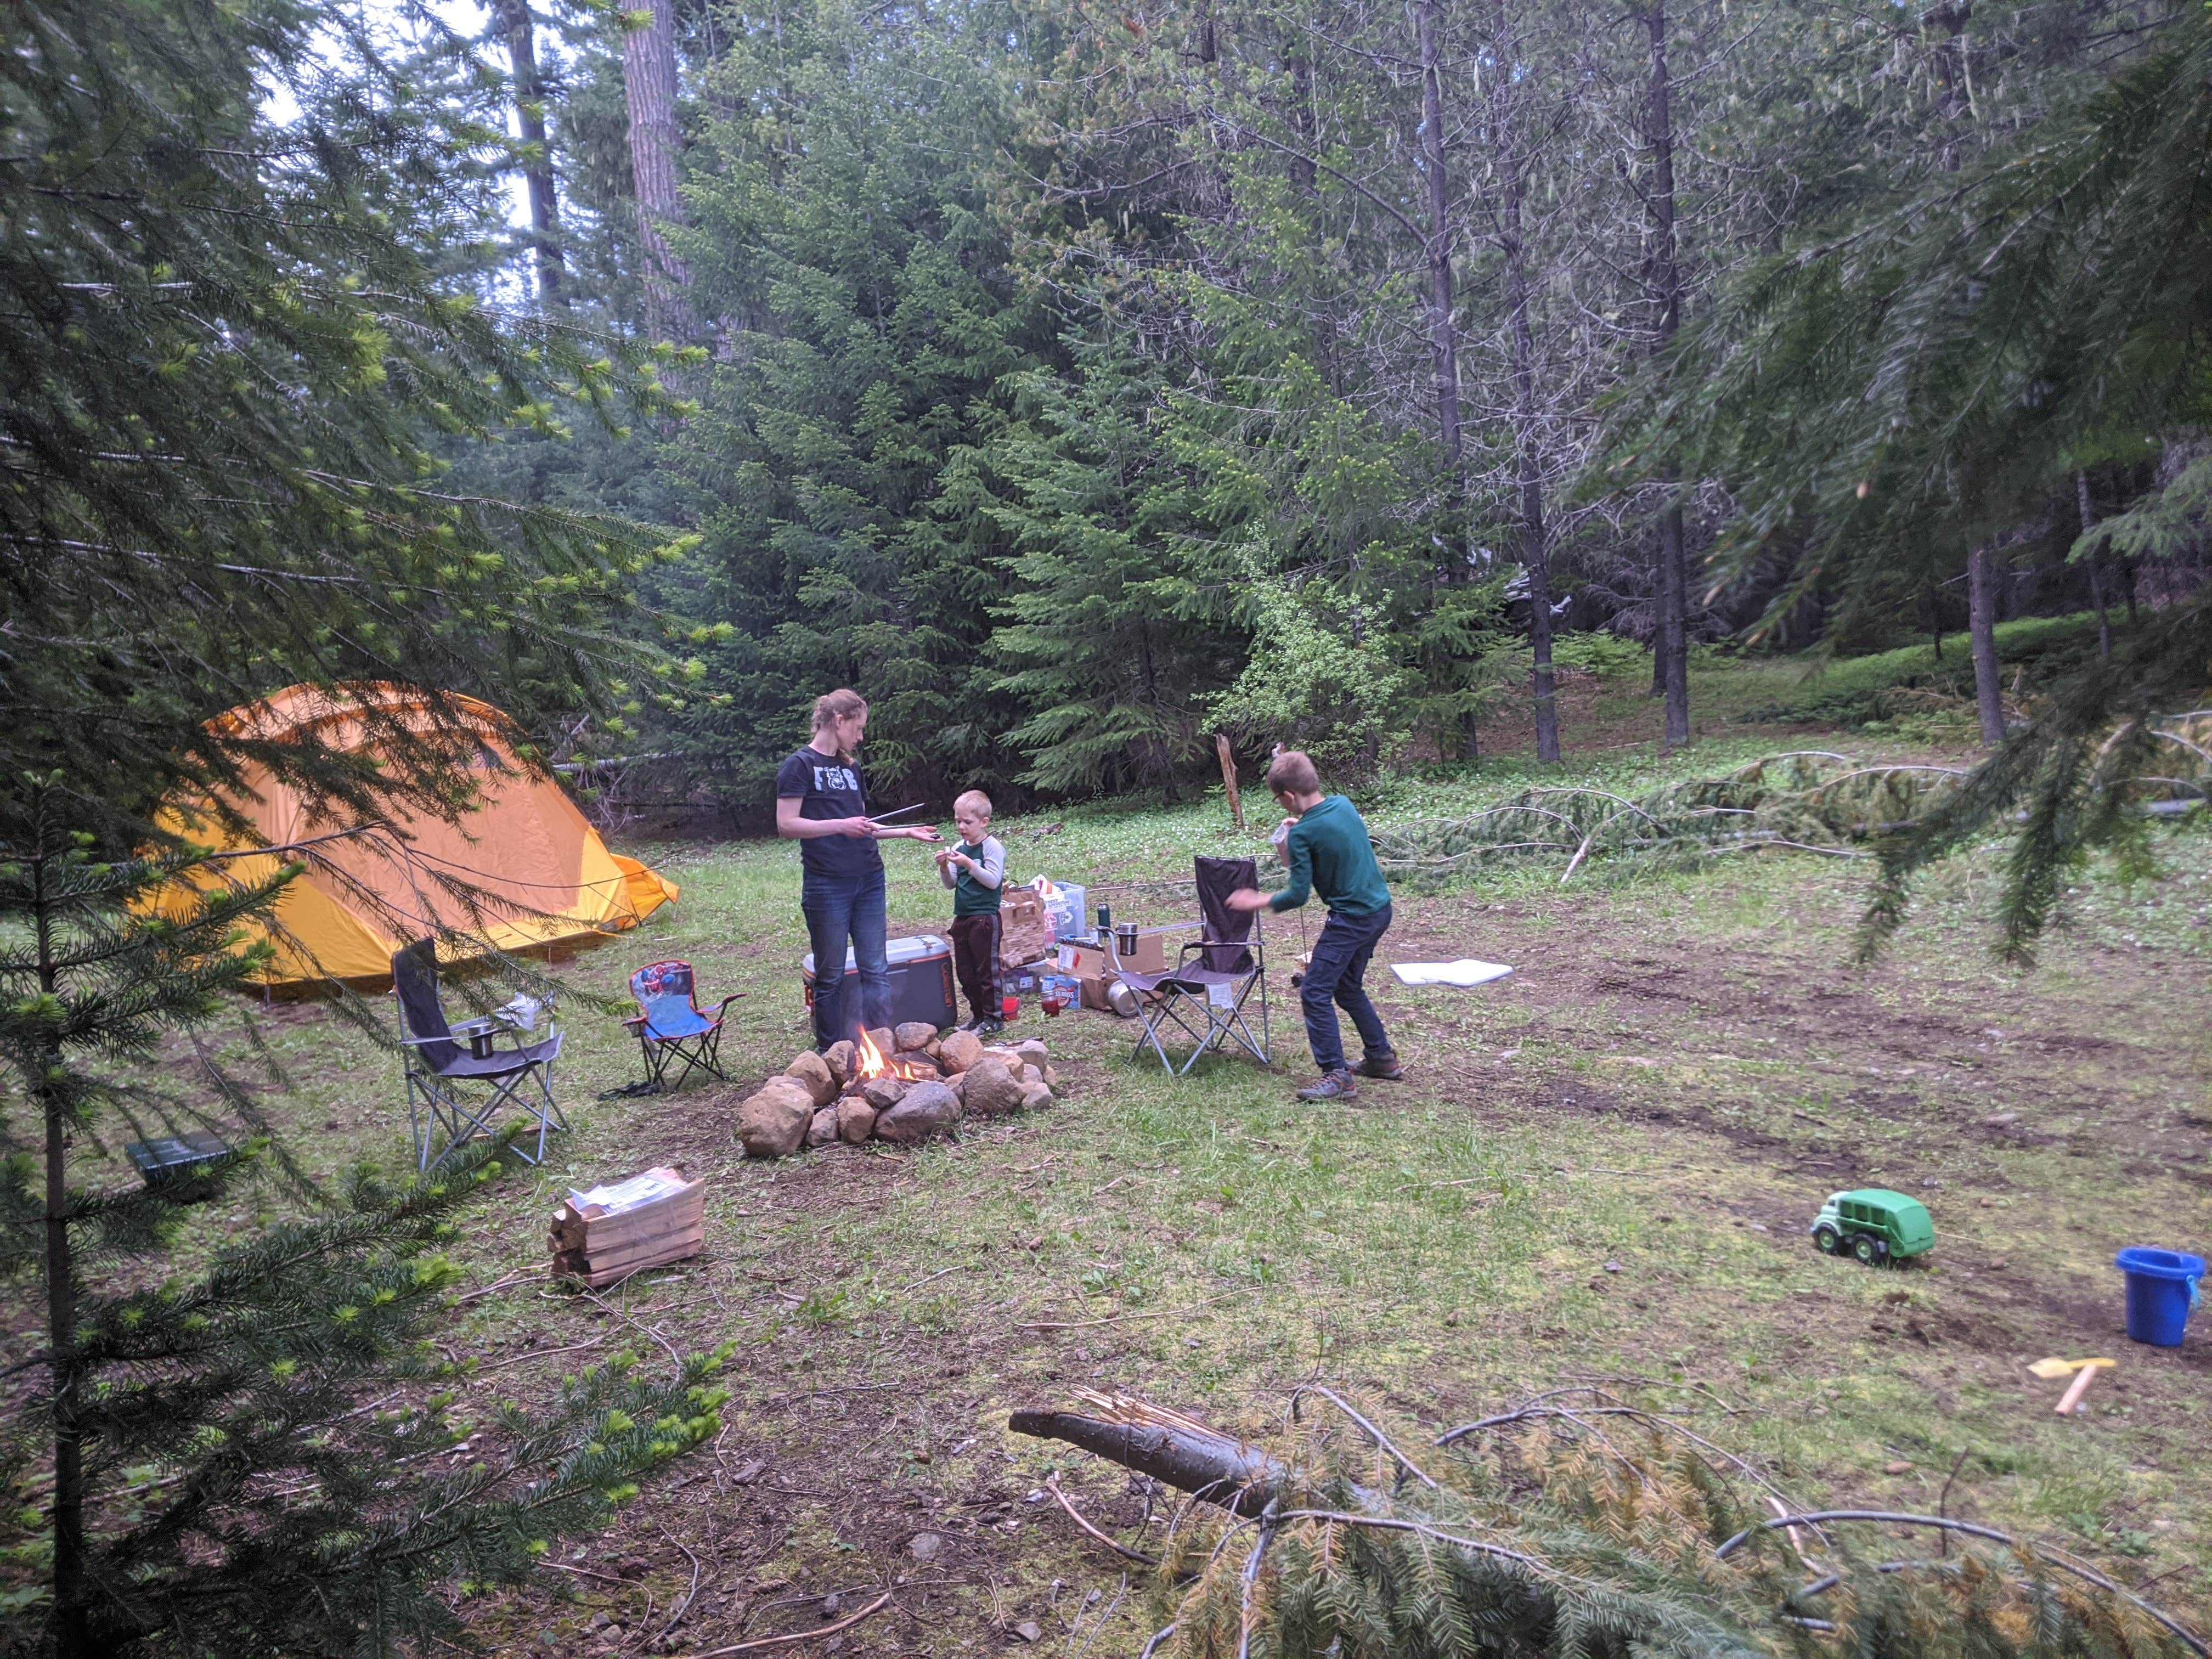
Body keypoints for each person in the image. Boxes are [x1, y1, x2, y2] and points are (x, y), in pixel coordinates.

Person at [1226, 749, 1402, 1101]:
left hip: (1351, 919)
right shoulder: (1343, 804)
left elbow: (1297, 895)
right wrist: (1301, 826)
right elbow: (1330, 834)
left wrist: (1257, 900)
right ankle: (1381, 1058)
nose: (1281, 806)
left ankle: (1337, 1076)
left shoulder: (1305, 832)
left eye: (1279, 800)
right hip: (1379, 910)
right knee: (1348, 988)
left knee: (1314, 990)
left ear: (1289, 796)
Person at [775, 690, 940, 1052]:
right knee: (830, 975)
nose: (861, 737)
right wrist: (839, 825)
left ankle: (880, 1050)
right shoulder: (799, 765)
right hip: (827, 886)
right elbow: (786, 825)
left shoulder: (850, 768)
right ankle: (832, 1053)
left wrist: (906, 832)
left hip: (869, 880)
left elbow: (863, 825)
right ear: (839, 721)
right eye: (859, 727)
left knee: (876, 971)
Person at [935, 789, 1008, 1034]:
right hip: (963, 917)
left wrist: (969, 864)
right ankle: (978, 1016)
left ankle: (994, 1019)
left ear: (984, 822)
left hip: (985, 918)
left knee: (987, 970)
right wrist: (945, 867)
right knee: (966, 972)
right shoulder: (958, 846)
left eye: (967, 822)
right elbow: (951, 884)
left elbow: (993, 881)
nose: (961, 827)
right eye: (958, 821)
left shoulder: (991, 847)